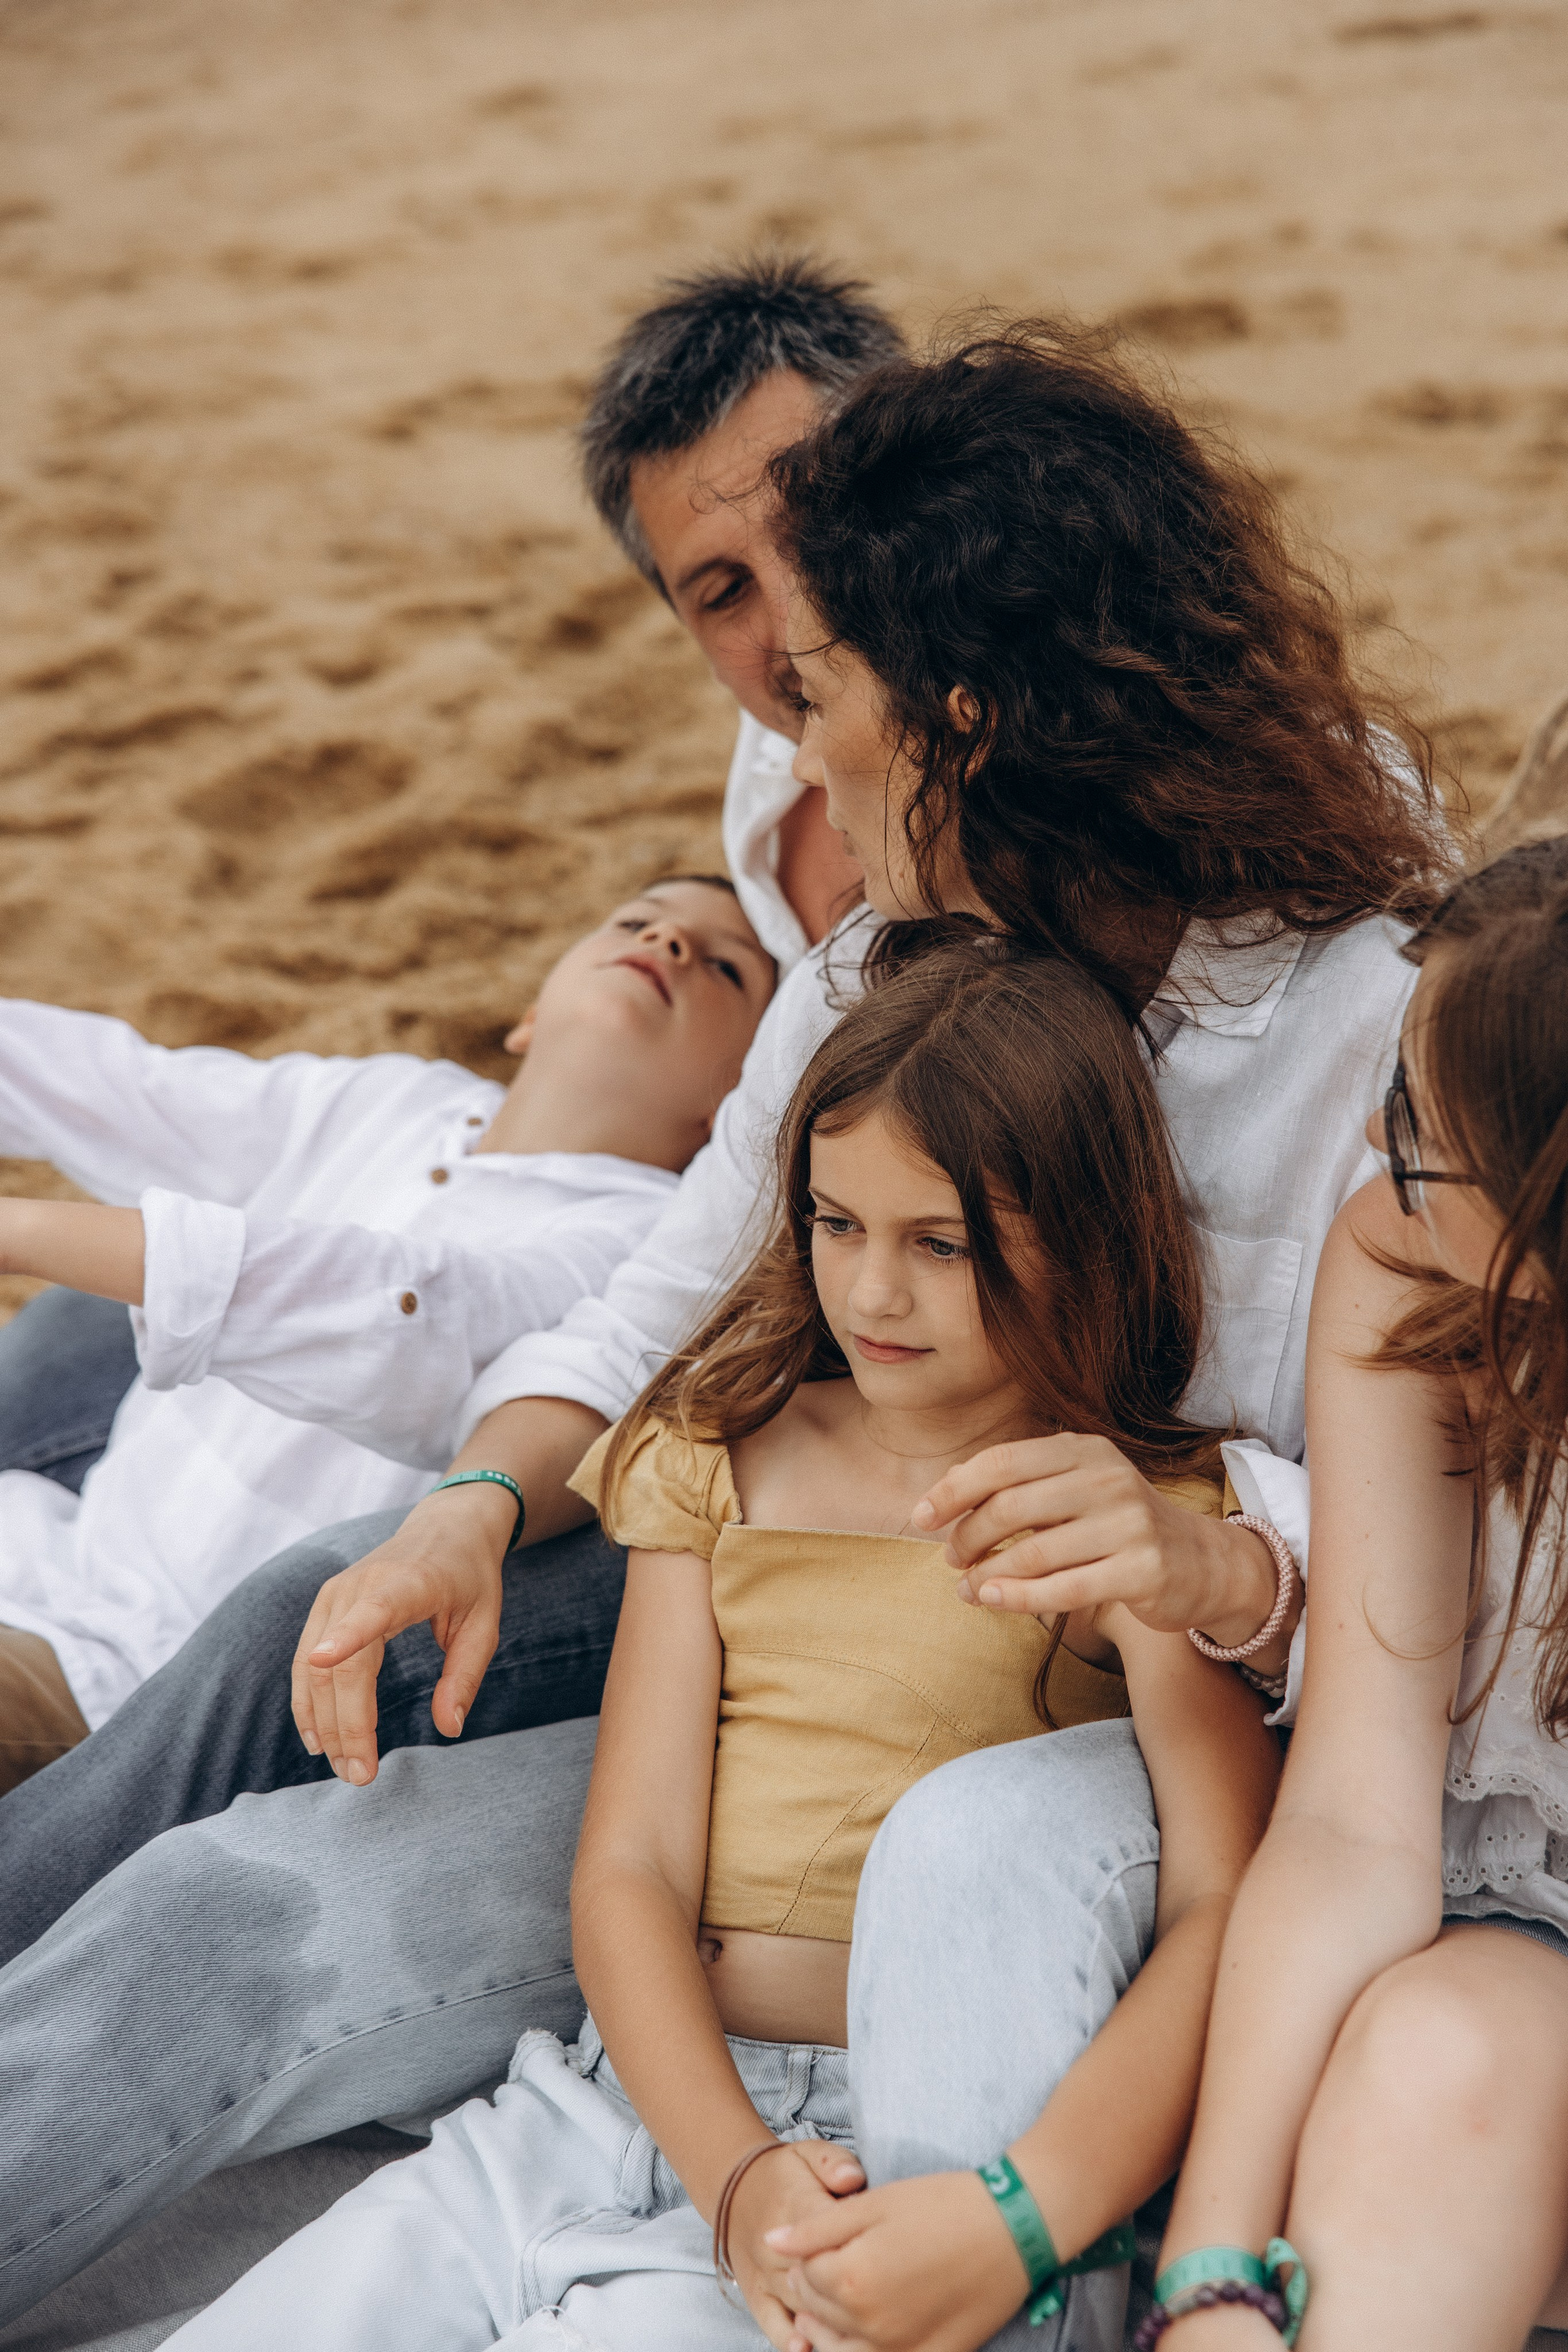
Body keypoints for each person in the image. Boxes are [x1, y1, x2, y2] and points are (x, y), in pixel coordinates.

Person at [0, 309, 1442, 2326]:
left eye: (826, 689)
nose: (799, 760)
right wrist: (475, 1509)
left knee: (918, 1856)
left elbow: (1432, 1555)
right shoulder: (868, 968)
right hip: (794, 1640)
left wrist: (1209, 1553)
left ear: (966, 716)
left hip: (1134, 1712)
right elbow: (660, 1303)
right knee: (240, 1870)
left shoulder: (1363, 1031)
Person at [162, 943, 1280, 2352]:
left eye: (939, 1244)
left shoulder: (1135, 1522)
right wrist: (728, 2172)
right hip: (599, 2112)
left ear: (1082, 1235)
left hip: (860, 2179)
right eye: (834, 1222)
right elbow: (630, 1867)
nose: (870, 1294)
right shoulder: (715, 1453)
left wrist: (1024, 2208)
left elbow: (1220, 1911)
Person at [0, 873, 772, 1790]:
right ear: (529, 1017)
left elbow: (405, 1310)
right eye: (639, 920)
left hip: (129, 1683)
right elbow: (128, 1087)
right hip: (42, 1550)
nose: (668, 943)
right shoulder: (399, 1100)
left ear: (734, 1106)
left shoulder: (644, 1246)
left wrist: (21, 1230)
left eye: (725, 968)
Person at [1144, 840, 1568, 2351]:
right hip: (1526, 1937)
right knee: (1433, 2056)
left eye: (1424, 1135)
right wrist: (1209, 2266)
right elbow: (1350, 1824)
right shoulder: (1408, 1270)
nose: (1379, 1149)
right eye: (1395, 1088)